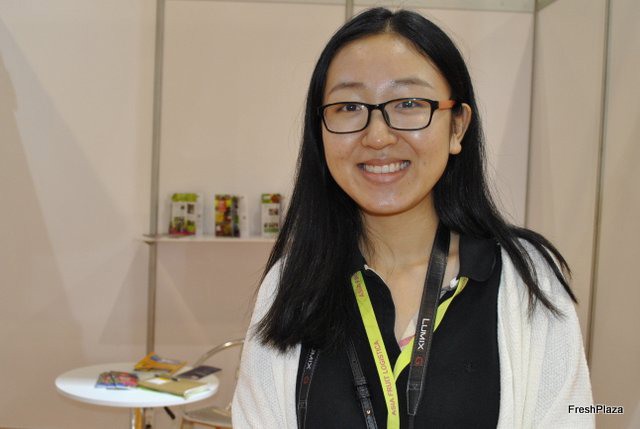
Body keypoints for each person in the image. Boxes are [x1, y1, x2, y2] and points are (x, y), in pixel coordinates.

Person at [232, 7, 593, 428]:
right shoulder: (290, 282)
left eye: (408, 103)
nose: (377, 136)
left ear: (457, 127)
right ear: (321, 131)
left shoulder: (527, 280)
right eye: (349, 106)